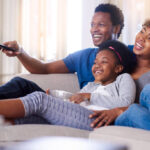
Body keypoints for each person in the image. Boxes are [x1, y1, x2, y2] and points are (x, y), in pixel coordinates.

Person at [0, 40, 136, 130]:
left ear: (118, 68)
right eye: (95, 62)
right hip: (78, 114)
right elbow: (73, 103)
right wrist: (56, 100)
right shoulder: (91, 85)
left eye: (104, 62)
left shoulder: (124, 78)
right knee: (26, 118)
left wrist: (89, 97)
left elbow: (126, 103)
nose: (97, 65)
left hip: (97, 119)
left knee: (39, 99)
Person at [0, 3, 124, 99]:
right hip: (75, 104)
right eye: (92, 25)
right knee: (20, 84)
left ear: (116, 28)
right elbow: (44, 69)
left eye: (101, 25)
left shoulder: (130, 53)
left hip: (88, 111)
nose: (94, 30)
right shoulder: (83, 56)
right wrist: (20, 51)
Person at [89, 19, 150, 130]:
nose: (141, 38)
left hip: (139, 114)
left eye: (149, 38)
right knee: (134, 111)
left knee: (147, 92)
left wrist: (118, 110)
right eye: (142, 31)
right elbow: (98, 85)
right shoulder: (121, 59)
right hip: (128, 117)